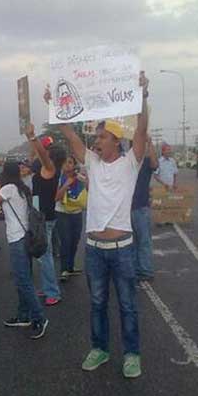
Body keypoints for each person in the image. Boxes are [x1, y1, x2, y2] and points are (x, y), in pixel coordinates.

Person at [45, 71, 149, 379]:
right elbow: (72, 136)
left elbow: (142, 130)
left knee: (128, 305)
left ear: (116, 141)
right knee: (97, 303)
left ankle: (132, 354)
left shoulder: (131, 162)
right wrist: (56, 108)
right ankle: (99, 348)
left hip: (123, 250)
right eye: (97, 137)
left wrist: (142, 96)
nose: (96, 140)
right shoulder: (90, 161)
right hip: (94, 250)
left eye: (102, 137)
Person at [0, 161, 49, 337]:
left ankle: (39, 318)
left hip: (17, 239)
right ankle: (23, 315)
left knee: (23, 281)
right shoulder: (20, 188)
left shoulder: (9, 188)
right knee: (25, 278)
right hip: (26, 237)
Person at [24, 131, 64, 306]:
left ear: (51, 156)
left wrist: (33, 137)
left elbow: (40, 155)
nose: (44, 153)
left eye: (47, 151)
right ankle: (48, 287)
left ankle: (53, 292)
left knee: (44, 255)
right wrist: (32, 142)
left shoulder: (51, 169)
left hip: (45, 217)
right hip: (41, 215)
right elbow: (34, 156)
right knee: (42, 254)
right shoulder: (43, 168)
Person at [55, 155, 87, 282]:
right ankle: (64, 269)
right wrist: (66, 185)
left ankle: (70, 266)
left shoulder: (79, 178)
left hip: (77, 212)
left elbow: (90, 189)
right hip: (62, 213)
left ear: (74, 165)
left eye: (70, 163)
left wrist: (85, 178)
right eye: (64, 163)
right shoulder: (58, 178)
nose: (67, 165)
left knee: (75, 240)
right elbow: (56, 197)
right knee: (65, 241)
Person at [131, 136, 158, 282]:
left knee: (144, 240)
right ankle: (136, 269)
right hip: (125, 209)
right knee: (132, 242)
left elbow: (155, 164)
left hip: (141, 208)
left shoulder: (146, 162)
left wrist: (150, 142)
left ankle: (145, 270)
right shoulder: (126, 162)